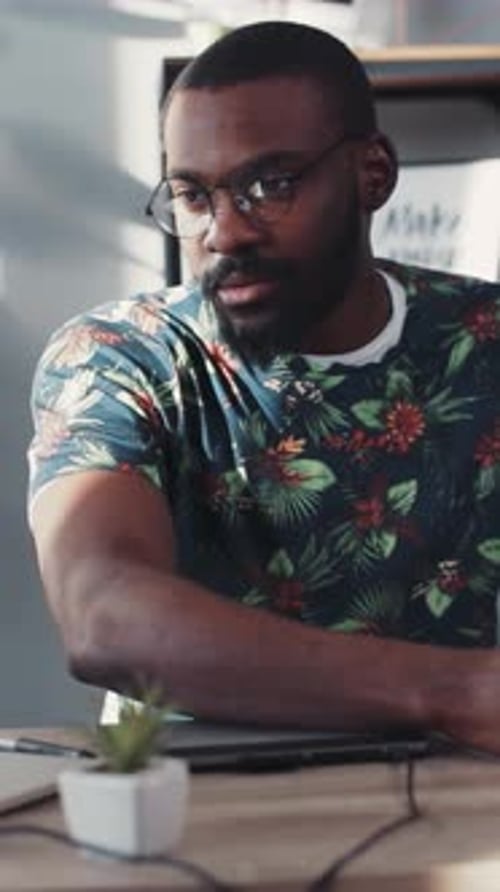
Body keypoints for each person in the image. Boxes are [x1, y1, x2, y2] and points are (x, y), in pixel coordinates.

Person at [28, 20, 500, 751]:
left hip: (467, 788)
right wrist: (454, 692)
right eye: (192, 194)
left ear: (373, 174)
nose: (224, 233)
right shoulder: (124, 358)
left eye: (268, 185)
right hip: (193, 807)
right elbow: (102, 615)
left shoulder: (484, 341)